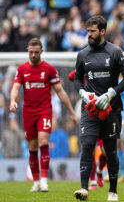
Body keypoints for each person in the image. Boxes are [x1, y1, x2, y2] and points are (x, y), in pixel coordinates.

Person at [73, 15, 124, 201]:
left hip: (112, 109)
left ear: (102, 31)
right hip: (90, 108)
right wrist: (83, 93)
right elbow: (76, 78)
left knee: (110, 150)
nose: (89, 35)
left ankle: (113, 191)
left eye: (92, 31)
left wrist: (111, 94)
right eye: (87, 31)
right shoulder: (82, 54)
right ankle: (84, 188)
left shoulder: (116, 52)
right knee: (87, 145)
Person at [9, 38, 79, 192]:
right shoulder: (21, 69)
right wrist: (13, 100)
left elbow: (60, 91)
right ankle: (35, 182)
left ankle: (44, 180)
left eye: (36, 52)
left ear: (41, 51)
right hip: (28, 112)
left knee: (43, 143)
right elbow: (15, 87)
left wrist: (72, 113)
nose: (33, 55)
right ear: (28, 50)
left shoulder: (49, 69)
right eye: (30, 52)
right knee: (32, 148)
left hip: (44, 110)